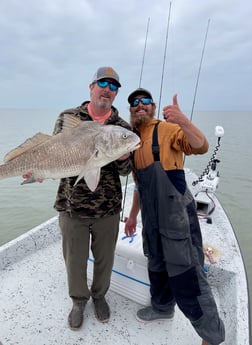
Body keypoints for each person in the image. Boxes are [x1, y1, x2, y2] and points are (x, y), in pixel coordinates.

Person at [124, 88, 225, 345]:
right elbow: (139, 186)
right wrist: (133, 216)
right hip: (151, 219)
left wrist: (182, 119)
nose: (140, 105)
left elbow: (200, 145)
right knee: (156, 264)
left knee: (186, 273)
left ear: (153, 106)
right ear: (131, 109)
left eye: (145, 101)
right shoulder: (132, 140)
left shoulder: (167, 129)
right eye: (134, 102)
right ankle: (162, 307)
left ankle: (211, 336)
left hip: (177, 217)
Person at [53, 66, 133, 330]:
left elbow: (125, 171)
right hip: (71, 205)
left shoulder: (122, 128)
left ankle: (99, 296)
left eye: (114, 87)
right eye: (104, 84)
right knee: (74, 259)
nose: (108, 90)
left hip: (107, 208)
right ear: (92, 86)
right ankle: (79, 301)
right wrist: (41, 171)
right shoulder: (68, 117)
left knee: (105, 259)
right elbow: (53, 153)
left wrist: (122, 157)